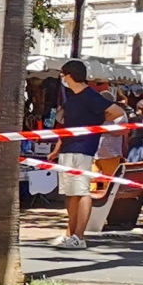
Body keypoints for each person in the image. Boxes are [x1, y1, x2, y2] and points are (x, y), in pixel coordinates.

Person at [51, 58, 110, 248]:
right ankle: (70, 234)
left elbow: (115, 111)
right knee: (71, 193)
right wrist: (57, 150)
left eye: (64, 75)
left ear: (70, 76)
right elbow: (66, 128)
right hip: (68, 148)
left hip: (83, 149)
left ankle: (80, 237)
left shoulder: (91, 96)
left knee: (82, 191)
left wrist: (97, 124)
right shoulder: (72, 101)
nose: (63, 79)